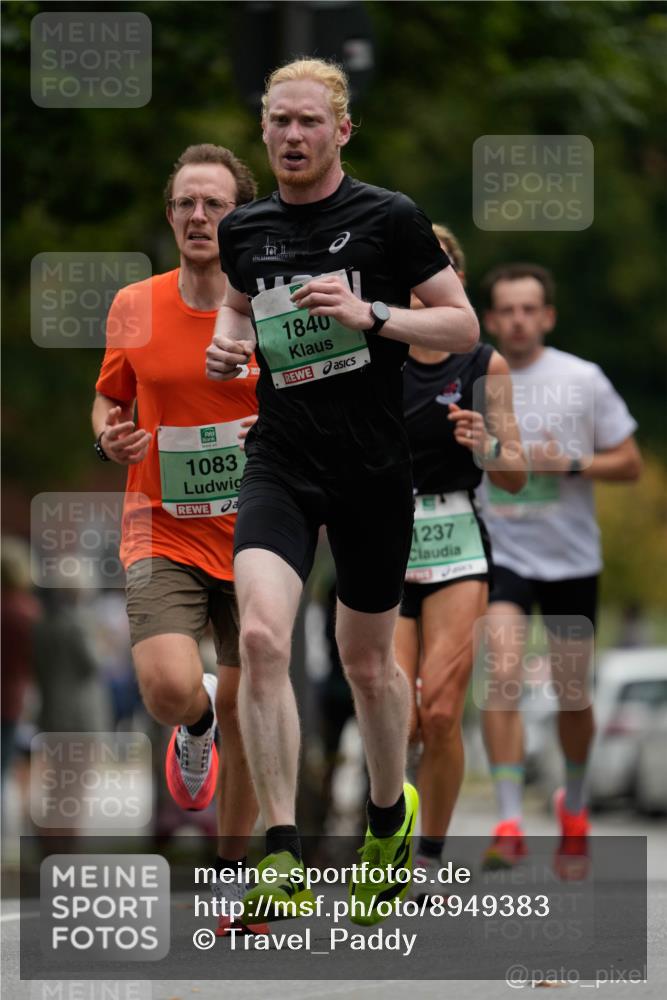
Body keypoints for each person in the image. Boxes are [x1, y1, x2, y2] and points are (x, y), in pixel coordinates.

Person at [206, 57, 479, 927]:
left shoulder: (389, 218)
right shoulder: (244, 229)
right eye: (278, 121)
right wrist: (225, 345)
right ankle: (281, 855)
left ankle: (386, 819)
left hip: (371, 466)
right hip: (280, 456)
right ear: (264, 128)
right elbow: (241, 309)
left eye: (309, 122)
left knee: (366, 663)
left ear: (340, 131)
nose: (292, 136)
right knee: (258, 634)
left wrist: (375, 316)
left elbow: (462, 323)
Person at [92, 144, 263, 931]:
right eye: (186, 204)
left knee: (251, 699)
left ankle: (233, 874)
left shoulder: (273, 307)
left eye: (216, 205)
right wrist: (110, 440)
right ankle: (193, 731)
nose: (199, 217)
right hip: (159, 527)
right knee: (168, 686)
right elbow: (109, 401)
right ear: (170, 216)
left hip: (262, 526)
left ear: (241, 217)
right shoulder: (135, 302)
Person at [476, 263, 641, 875]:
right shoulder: (478, 374)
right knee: (502, 669)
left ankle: (574, 805)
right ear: (490, 319)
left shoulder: (582, 379)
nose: (517, 320)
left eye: (529, 309)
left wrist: (568, 463)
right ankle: (510, 819)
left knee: (574, 695)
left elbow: (630, 462)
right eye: (506, 310)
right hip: (504, 549)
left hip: (572, 558)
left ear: (546, 316)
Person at [395, 226, 526, 892]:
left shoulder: (482, 364)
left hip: (455, 542)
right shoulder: (370, 357)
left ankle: (427, 857)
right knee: (397, 715)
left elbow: (514, 473)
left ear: (457, 286)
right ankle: (384, 832)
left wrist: (486, 445)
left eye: (439, 268)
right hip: (383, 542)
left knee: (441, 712)